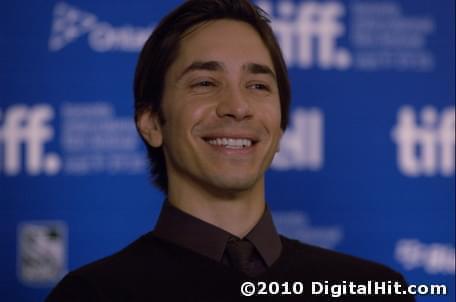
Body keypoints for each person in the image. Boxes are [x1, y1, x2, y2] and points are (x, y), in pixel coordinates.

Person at [46, 1, 415, 301]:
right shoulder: (92, 295)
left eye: (257, 85)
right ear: (152, 123)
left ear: (280, 125)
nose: (238, 107)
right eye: (205, 82)